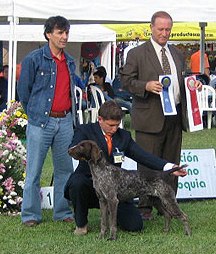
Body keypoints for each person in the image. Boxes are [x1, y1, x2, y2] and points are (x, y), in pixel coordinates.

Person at [120, 11, 202, 220]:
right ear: (151, 28)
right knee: (148, 162)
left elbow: (180, 81)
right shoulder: (137, 53)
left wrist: (193, 85)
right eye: (161, 29)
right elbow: (126, 81)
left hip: (174, 115)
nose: (164, 33)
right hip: (150, 117)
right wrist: (145, 85)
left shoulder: (176, 53)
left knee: (171, 162)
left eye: (168, 29)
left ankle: (168, 204)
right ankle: (145, 206)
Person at [64, 100, 187, 236]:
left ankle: (113, 216)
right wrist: (76, 151)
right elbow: (74, 147)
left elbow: (143, 156)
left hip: (116, 190)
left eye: (117, 125)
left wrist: (170, 167)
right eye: (111, 125)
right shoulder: (85, 131)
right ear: (100, 119)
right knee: (77, 183)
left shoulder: (123, 136)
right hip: (88, 185)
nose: (114, 129)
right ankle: (81, 225)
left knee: (135, 225)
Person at [17, 16, 77, 227]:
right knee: (34, 170)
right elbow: (23, 92)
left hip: (65, 121)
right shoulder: (34, 59)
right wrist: (35, 114)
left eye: (66, 33)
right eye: (60, 32)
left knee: (65, 170)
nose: (64, 37)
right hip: (41, 122)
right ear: (48, 34)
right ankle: (30, 215)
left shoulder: (70, 61)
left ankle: (62, 211)